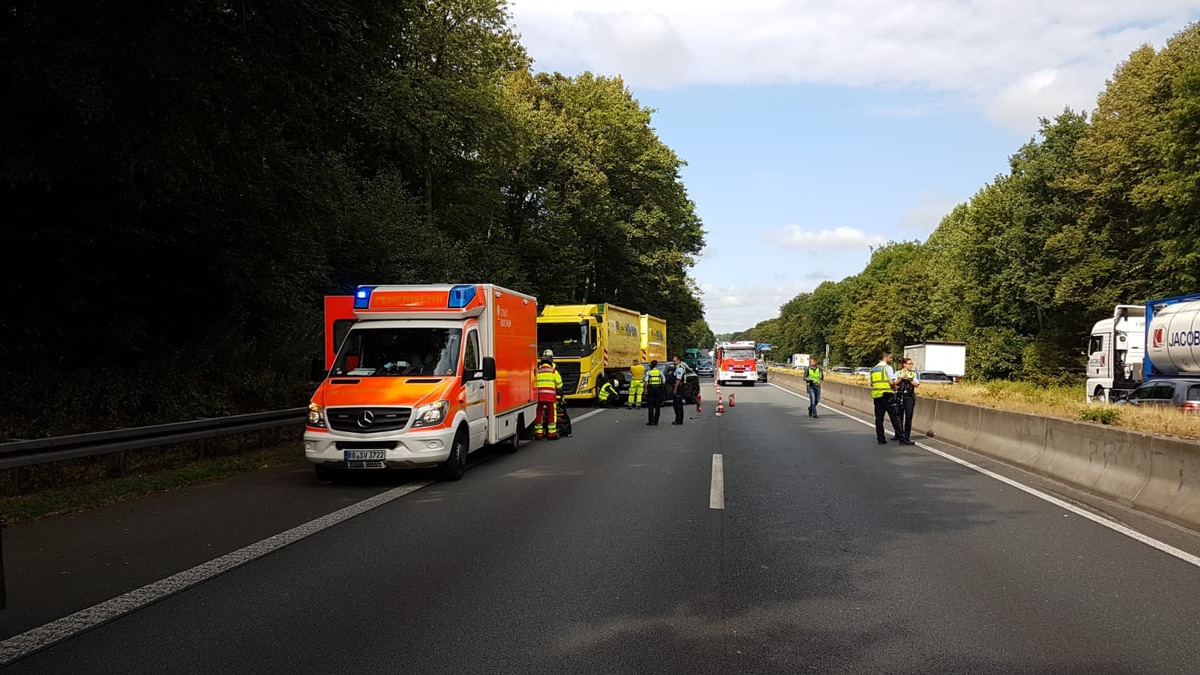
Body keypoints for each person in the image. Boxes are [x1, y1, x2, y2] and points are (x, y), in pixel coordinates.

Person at [870, 350, 902, 445]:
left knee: (879, 418)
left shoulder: (873, 369)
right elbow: (891, 382)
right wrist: (895, 386)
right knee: (895, 416)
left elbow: (871, 383)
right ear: (886, 357)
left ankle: (881, 439)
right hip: (887, 394)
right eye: (890, 357)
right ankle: (902, 438)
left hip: (877, 395)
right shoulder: (887, 368)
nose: (891, 359)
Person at [534, 352, 563, 439]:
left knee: (538, 413)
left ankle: (538, 434)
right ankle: (552, 434)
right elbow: (559, 384)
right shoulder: (553, 371)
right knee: (552, 413)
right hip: (550, 397)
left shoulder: (538, 372)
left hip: (539, 397)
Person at [892, 358, 920, 445]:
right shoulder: (898, 372)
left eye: (911, 364)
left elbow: (917, 385)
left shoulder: (913, 373)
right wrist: (900, 379)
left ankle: (906, 436)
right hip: (900, 396)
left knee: (909, 417)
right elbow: (893, 383)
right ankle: (899, 435)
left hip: (909, 397)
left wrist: (910, 381)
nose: (911, 365)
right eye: (909, 363)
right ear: (904, 364)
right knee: (899, 417)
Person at [645, 359, 664, 425]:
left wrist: (646, 390)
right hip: (658, 389)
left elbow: (646, 382)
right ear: (656, 365)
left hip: (651, 390)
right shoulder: (660, 372)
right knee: (657, 406)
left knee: (650, 406)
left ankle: (650, 421)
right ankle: (656, 422)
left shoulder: (649, 372)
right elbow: (664, 381)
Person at [670, 355, 687, 425]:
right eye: (673, 361)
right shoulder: (677, 368)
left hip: (679, 388)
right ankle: (678, 418)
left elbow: (678, 379)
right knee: (675, 404)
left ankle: (679, 419)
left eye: (675, 361)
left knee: (678, 404)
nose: (673, 362)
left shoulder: (680, 368)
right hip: (678, 387)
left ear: (679, 360)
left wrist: (675, 388)